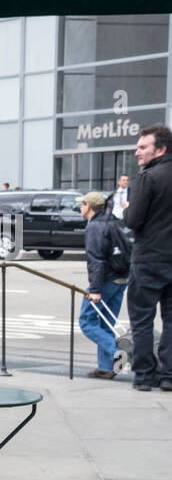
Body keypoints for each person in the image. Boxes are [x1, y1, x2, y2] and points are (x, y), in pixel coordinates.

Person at [124, 124, 172, 392]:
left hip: (149, 259)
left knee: (142, 320)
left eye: (143, 147)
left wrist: (127, 210)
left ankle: (143, 376)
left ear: (161, 149)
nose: (137, 152)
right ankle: (169, 375)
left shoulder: (147, 178)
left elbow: (133, 221)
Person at [78, 191, 130, 380]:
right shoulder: (113, 221)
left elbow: (97, 260)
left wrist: (95, 290)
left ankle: (117, 352)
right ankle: (107, 367)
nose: (80, 207)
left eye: (82, 204)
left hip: (105, 280)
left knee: (87, 322)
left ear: (89, 206)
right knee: (106, 323)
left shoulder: (95, 227)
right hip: (121, 278)